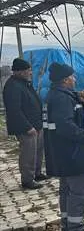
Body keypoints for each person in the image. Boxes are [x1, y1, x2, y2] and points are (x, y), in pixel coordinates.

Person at [43, 62, 84, 231]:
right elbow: (65, 126)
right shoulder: (61, 99)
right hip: (72, 154)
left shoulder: (57, 94)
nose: (75, 79)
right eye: (73, 77)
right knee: (78, 194)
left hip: (62, 154)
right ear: (66, 79)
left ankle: (70, 230)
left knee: (67, 193)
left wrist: (81, 98)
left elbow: (69, 110)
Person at [2, 58, 48, 189]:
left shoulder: (24, 83)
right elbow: (14, 110)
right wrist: (27, 127)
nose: (31, 73)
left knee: (38, 151)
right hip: (26, 127)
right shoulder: (13, 86)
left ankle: (37, 173)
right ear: (21, 72)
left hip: (36, 124)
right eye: (28, 70)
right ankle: (27, 180)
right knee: (28, 153)